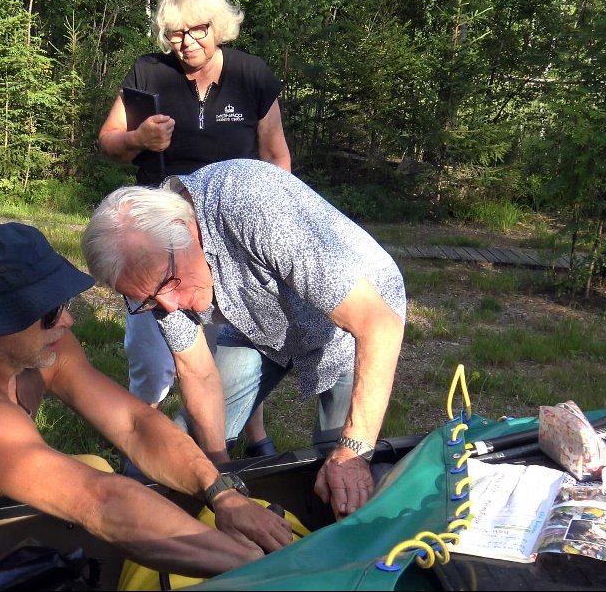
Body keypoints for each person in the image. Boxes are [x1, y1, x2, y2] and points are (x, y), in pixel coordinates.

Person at [0, 223, 292, 577]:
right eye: (51, 310)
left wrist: (221, 494)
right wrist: (266, 570)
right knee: (97, 490)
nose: (69, 319)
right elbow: (99, 503)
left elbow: (132, 424)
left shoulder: (39, 347)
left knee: (96, 465)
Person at [82, 159, 407, 520]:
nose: (168, 307)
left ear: (185, 230)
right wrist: (220, 480)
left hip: (351, 321)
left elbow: (378, 324)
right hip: (257, 318)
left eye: (166, 287)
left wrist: (352, 451)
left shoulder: (253, 204)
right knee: (190, 451)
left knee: (342, 476)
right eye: (148, 301)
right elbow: (197, 372)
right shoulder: (154, 275)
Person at [97, 0, 291, 457]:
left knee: (238, 336)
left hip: (233, 232)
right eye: (175, 33)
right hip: (157, 236)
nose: (185, 43)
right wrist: (139, 139)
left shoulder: (251, 75)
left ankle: (252, 433)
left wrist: (279, 216)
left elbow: (275, 154)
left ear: (218, 25)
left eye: (196, 30)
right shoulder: (149, 72)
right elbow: (108, 142)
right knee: (154, 347)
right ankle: (144, 436)